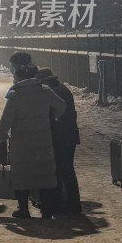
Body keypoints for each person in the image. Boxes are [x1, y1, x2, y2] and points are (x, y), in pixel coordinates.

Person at [0, 64, 66, 219]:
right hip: (43, 142)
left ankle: (23, 209)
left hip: (22, 145)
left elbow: (5, 123)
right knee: (44, 175)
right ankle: (47, 210)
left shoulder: (15, 95)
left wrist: (2, 136)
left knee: (22, 177)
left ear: (19, 77)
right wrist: (52, 117)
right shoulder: (45, 91)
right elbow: (61, 106)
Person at [36, 67, 82, 213]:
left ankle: (60, 204)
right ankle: (73, 203)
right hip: (69, 136)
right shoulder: (62, 88)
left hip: (60, 136)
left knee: (59, 169)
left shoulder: (52, 92)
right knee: (67, 169)